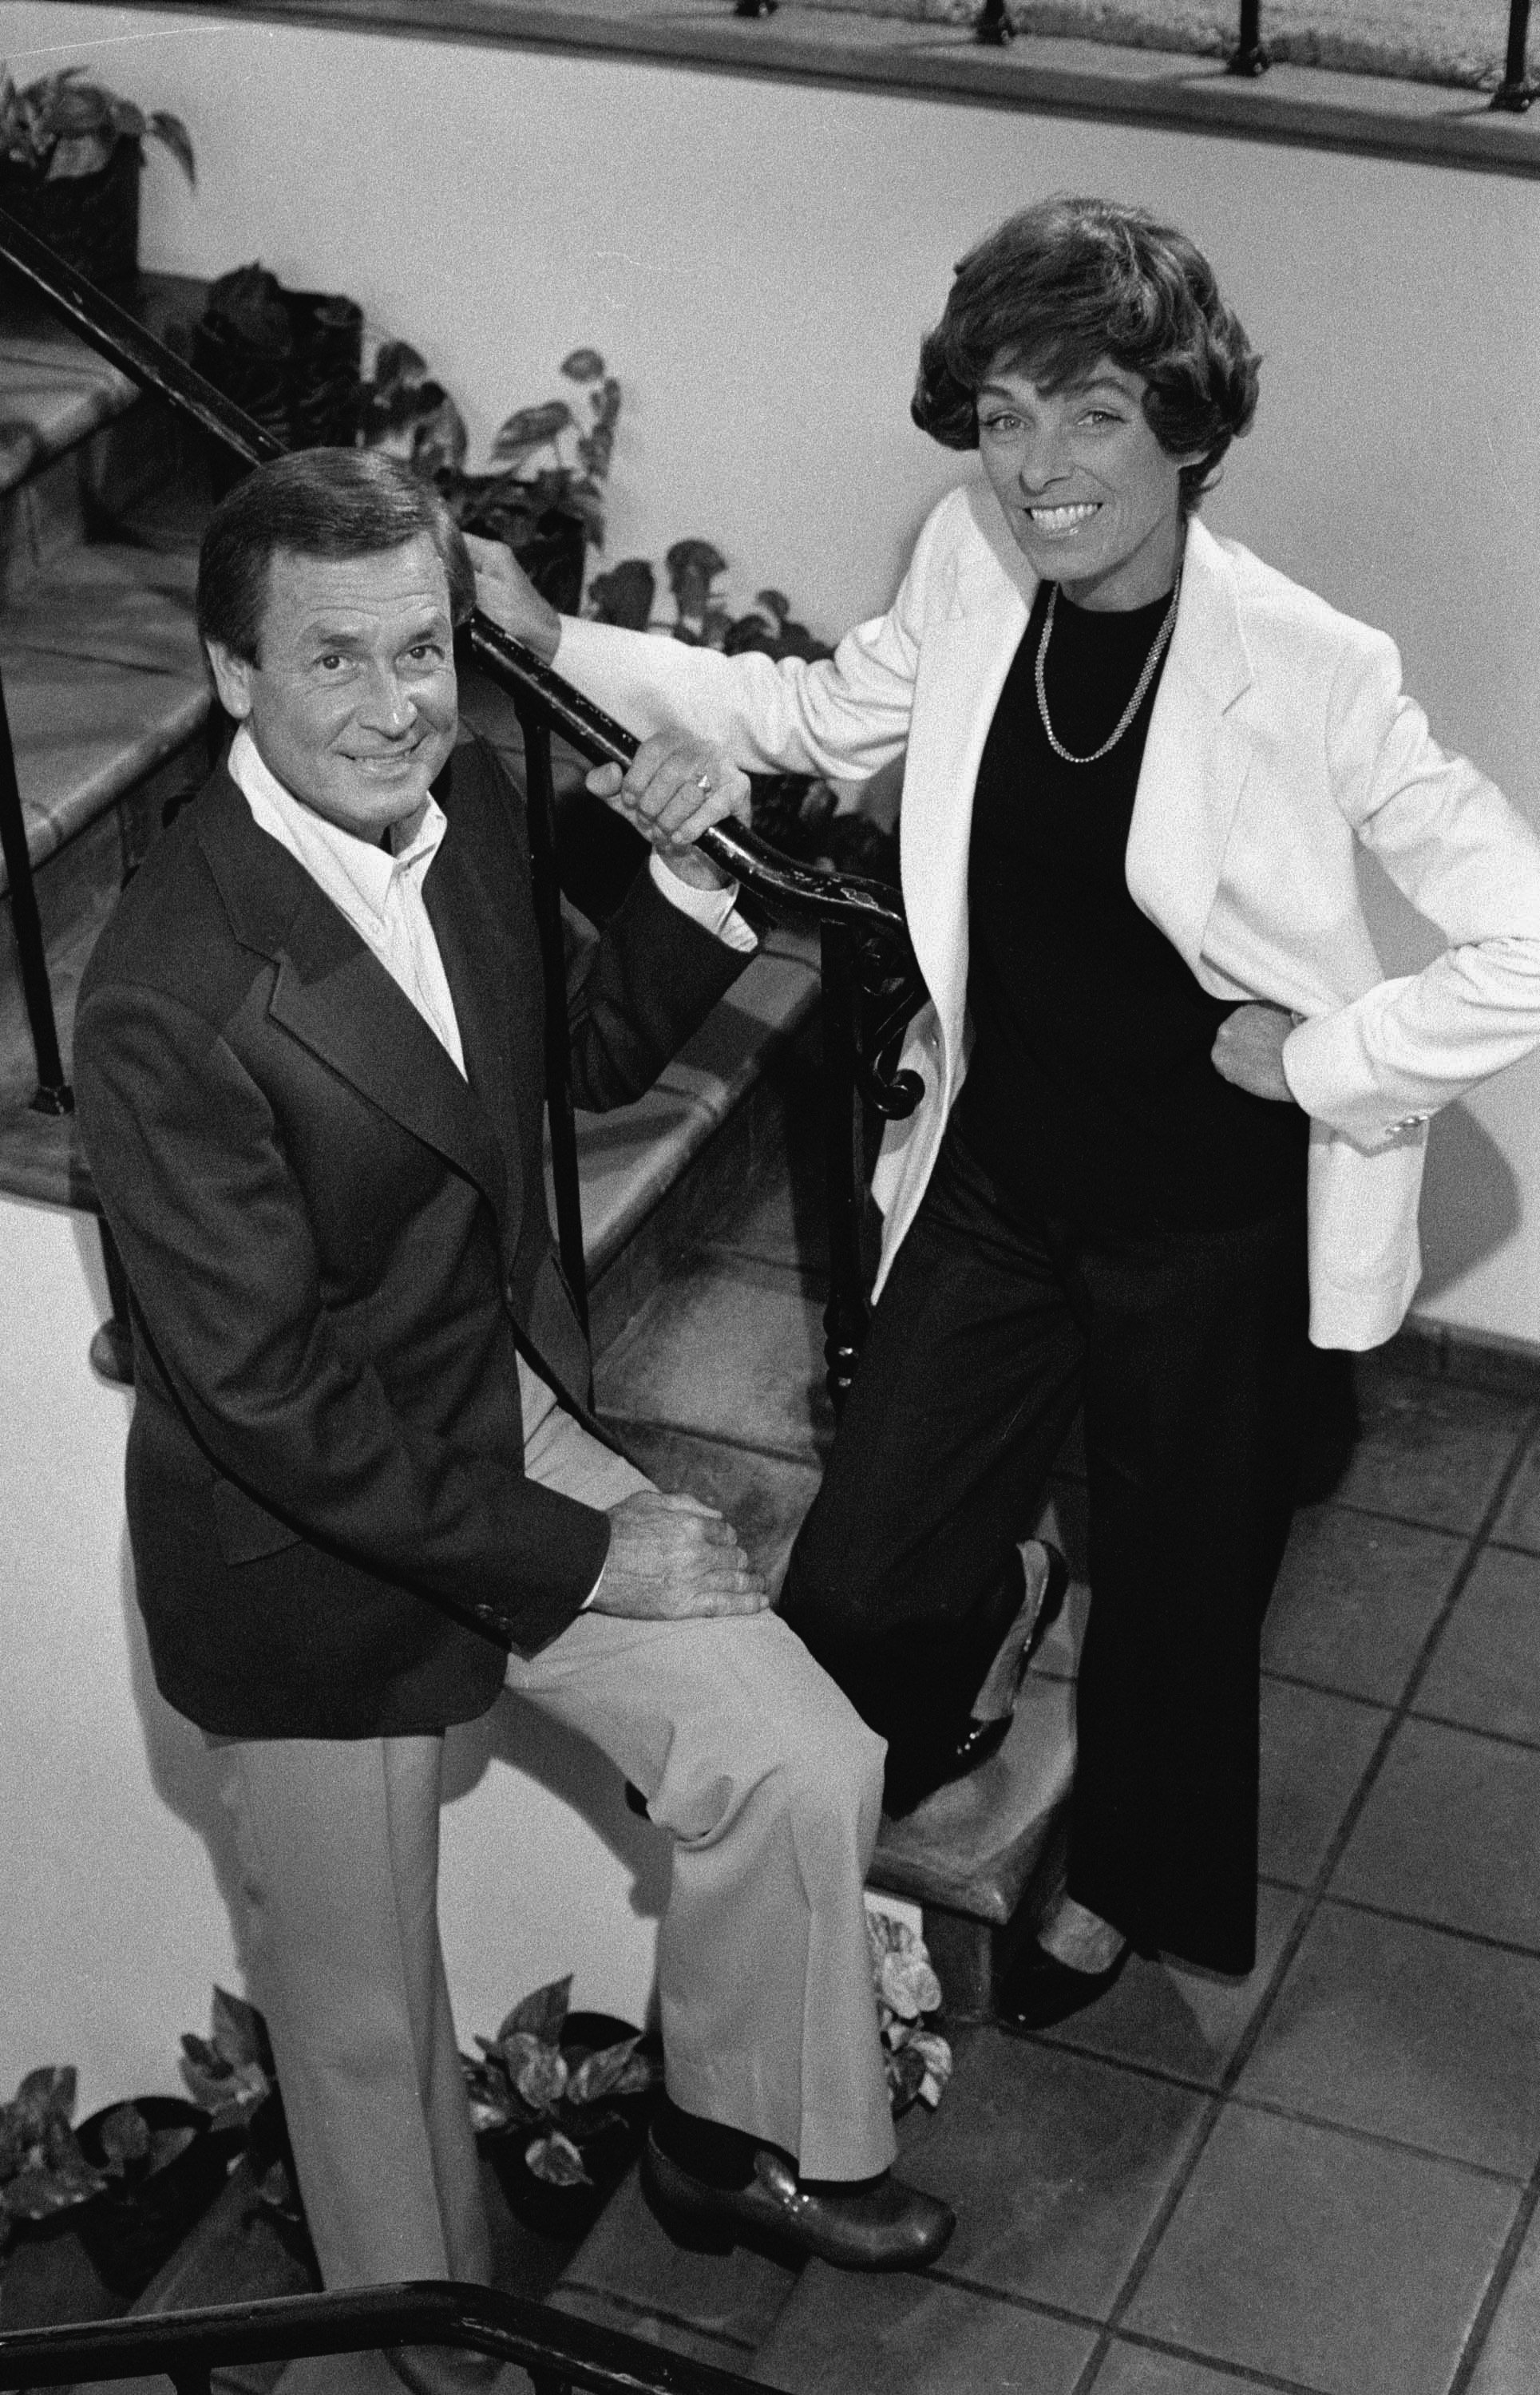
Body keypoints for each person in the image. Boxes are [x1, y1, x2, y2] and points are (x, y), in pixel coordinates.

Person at [470, 195, 1540, 2031]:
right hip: (993, 1180)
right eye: (1000, 413)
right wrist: (549, 636)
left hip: (1203, 1228)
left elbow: (1523, 940)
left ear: (1186, 428)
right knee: (866, 1580)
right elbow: (803, 715)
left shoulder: (1311, 666)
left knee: (1184, 1596)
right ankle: (949, 1668)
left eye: (1091, 413)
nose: (1038, 466)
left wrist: (1315, 1059)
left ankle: (1122, 1883)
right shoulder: (973, 566)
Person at [73, 449, 953, 2395]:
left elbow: (594, 1046)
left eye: (423, 652)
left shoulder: (455, 807)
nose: (399, 706)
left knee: (792, 1755)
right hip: (300, 1551)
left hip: (496, 1418)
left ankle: (729, 2140)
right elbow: (268, 1401)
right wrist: (589, 1546)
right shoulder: (165, 989)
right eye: (336, 664)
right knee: (373, 2048)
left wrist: (679, 869)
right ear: (231, 676)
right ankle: (430, 2369)